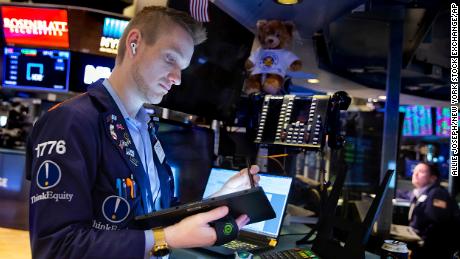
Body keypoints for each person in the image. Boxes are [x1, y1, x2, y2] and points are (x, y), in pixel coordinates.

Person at [26, 6, 260, 259]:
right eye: (170, 58)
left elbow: (155, 216)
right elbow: (56, 248)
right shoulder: (72, 121)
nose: (177, 78)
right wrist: (167, 239)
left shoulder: (144, 128)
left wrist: (217, 199)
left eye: (182, 67)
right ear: (134, 43)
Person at [408, 162, 460, 258]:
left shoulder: (437, 193)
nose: (415, 174)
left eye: (421, 171)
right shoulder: (421, 193)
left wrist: (418, 239)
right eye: (414, 171)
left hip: (433, 251)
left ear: (433, 178)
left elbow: (439, 224)